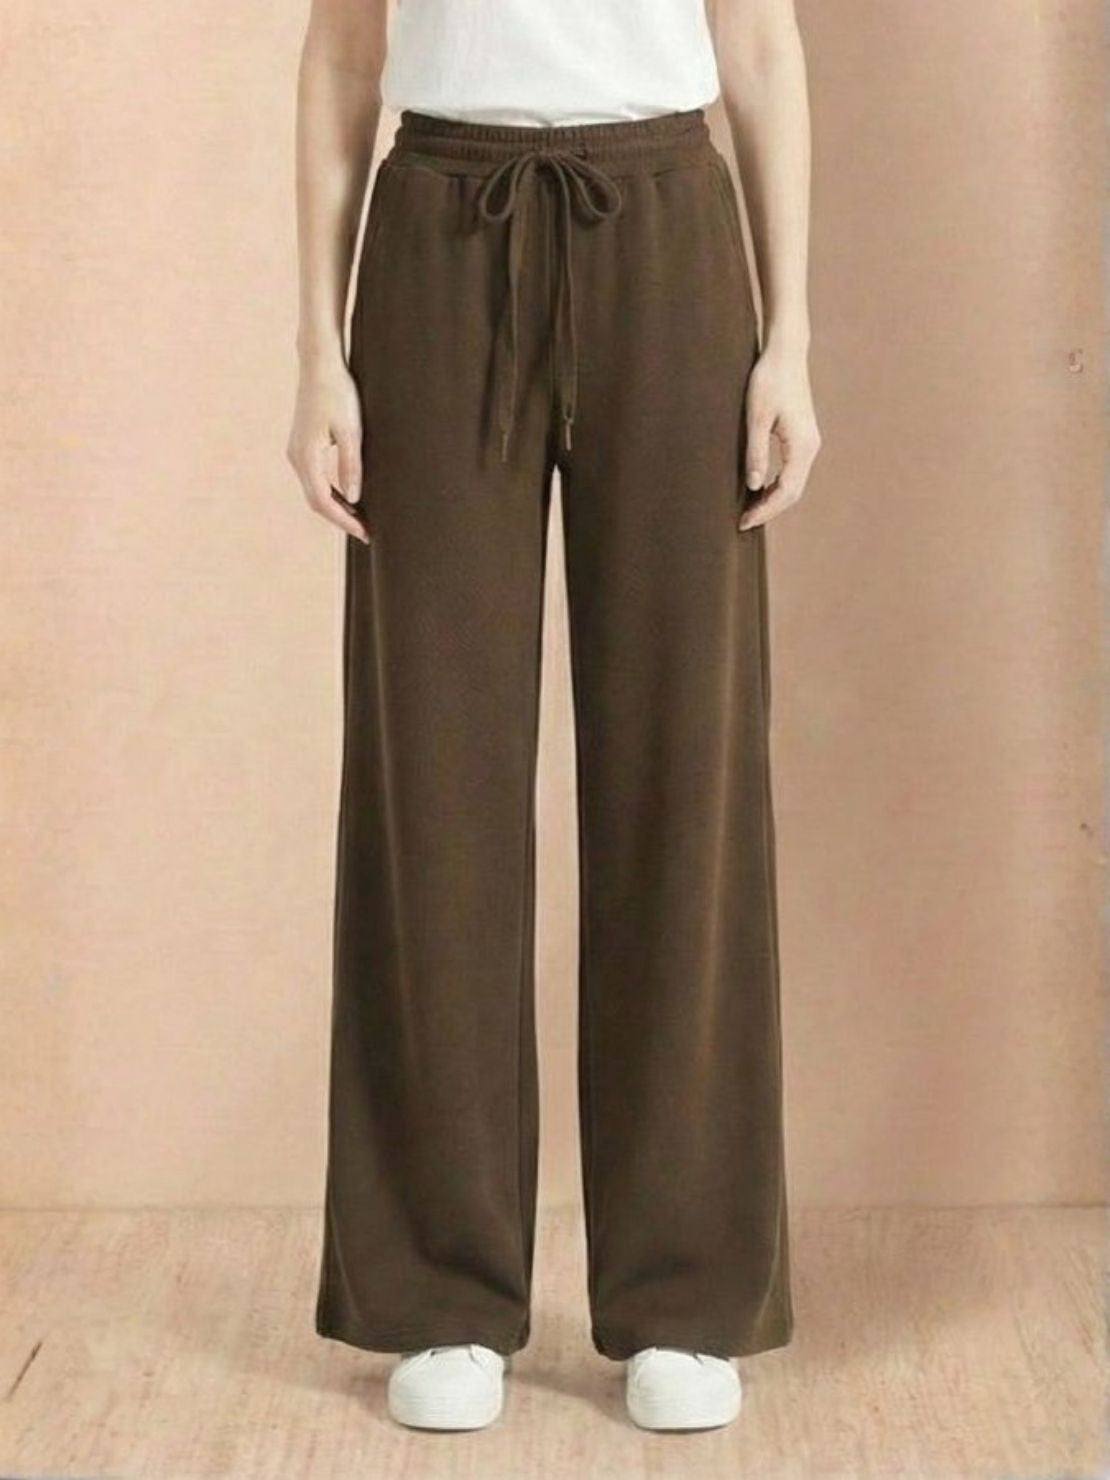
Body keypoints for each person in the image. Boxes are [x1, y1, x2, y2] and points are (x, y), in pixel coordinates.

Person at [287, 0, 820, 1434]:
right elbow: (343, 58)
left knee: (683, 767)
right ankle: (441, 1294)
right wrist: (318, 351)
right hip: (437, 229)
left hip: (667, 227)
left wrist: (788, 341)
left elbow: (760, 50)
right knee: (431, 772)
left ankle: (686, 1295)